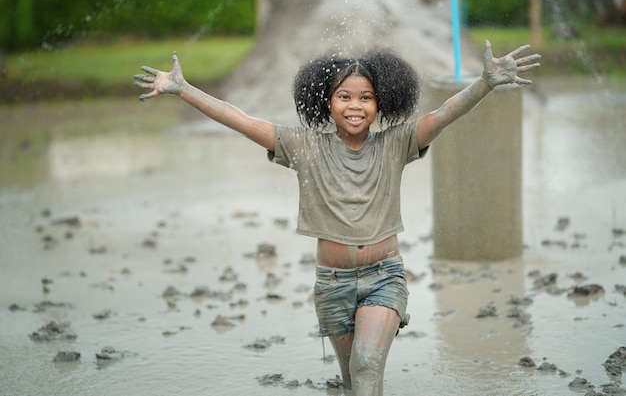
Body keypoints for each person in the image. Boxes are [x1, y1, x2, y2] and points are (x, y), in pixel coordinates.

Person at [134, 40, 540, 396]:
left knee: (366, 367)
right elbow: (240, 120)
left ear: (381, 103)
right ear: (326, 102)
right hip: (332, 284)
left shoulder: (397, 143)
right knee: (352, 382)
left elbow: (445, 113)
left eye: (366, 98)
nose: (355, 106)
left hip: (384, 276)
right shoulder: (303, 146)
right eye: (344, 96)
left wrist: (485, 83)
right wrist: (183, 90)